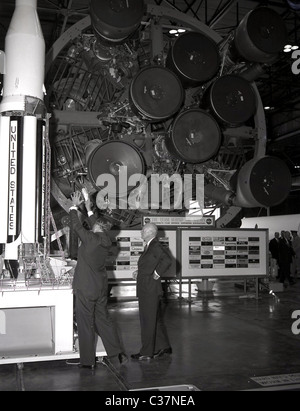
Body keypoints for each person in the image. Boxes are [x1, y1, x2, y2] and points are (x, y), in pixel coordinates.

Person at [66, 191, 128, 369]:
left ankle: (87, 362)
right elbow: (95, 224)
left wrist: (74, 206)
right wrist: (88, 208)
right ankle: (116, 355)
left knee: (86, 324)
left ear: (97, 228)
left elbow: (77, 226)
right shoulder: (106, 240)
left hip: (86, 289)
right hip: (100, 288)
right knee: (104, 321)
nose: (92, 226)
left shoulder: (91, 239)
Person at [131, 223, 172, 361]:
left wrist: (157, 273)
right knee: (153, 319)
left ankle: (147, 352)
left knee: (147, 321)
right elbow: (149, 264)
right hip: (146, 287)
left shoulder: (155, 246)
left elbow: (167, 261)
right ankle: (163, 346)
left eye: (142, 230)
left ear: (149, 232)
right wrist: (140, 272)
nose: (141, 232)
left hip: (149, 289)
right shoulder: (150, 246)